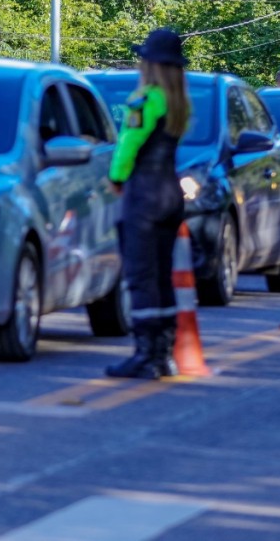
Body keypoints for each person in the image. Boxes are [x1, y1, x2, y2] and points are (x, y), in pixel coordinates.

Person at [105, 28, 191, 379]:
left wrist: (116, 177)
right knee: (162, 276)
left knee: (141, 275)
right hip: (171, 193)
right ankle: (163, 354)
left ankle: (144, 354)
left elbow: (129, 142)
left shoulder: (146, 99)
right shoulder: (178, 102)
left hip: (145, 194)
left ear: (151, 64)